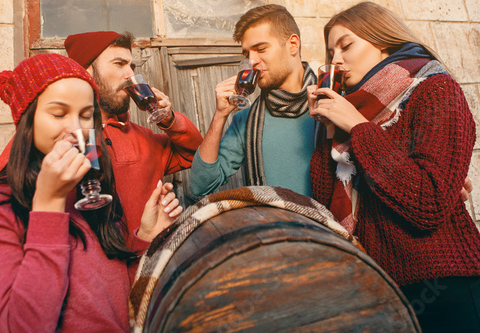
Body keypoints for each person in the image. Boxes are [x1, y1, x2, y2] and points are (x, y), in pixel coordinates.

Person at [307, 2, 480, 331]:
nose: (336, 60)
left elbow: (427, 203)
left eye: (346, 45)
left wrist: (359, 127)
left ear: (383, 41)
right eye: (331, 52)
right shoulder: (347, 110)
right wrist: (327, 130)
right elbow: (325, 201)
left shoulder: (437, 91)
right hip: (375, 288)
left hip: (445, 284)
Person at [0, 53, 181, 331]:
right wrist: (48, 204)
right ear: (26, 119)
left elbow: (120, 299)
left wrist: (146, 238)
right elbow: (23, 326)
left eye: (86, 115)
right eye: (59, 113)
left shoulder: (94, 192)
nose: (76, 129)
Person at [0, 31, 203, 237]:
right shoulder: (49, 141)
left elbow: (195, 154)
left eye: (132, 66)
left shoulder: (143, 137)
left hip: (148, 265)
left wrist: (169, 119)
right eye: (120, 64)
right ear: (87, 71)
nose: (130, 74)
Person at [188, 4, 318, 197]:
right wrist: (220, 115)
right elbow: (201, 187)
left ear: (293, 45)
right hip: (270, 225)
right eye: (247, 53)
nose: (252, 61)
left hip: (326, 226)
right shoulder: (246, 120)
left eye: (260, 49)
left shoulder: (332, 104)